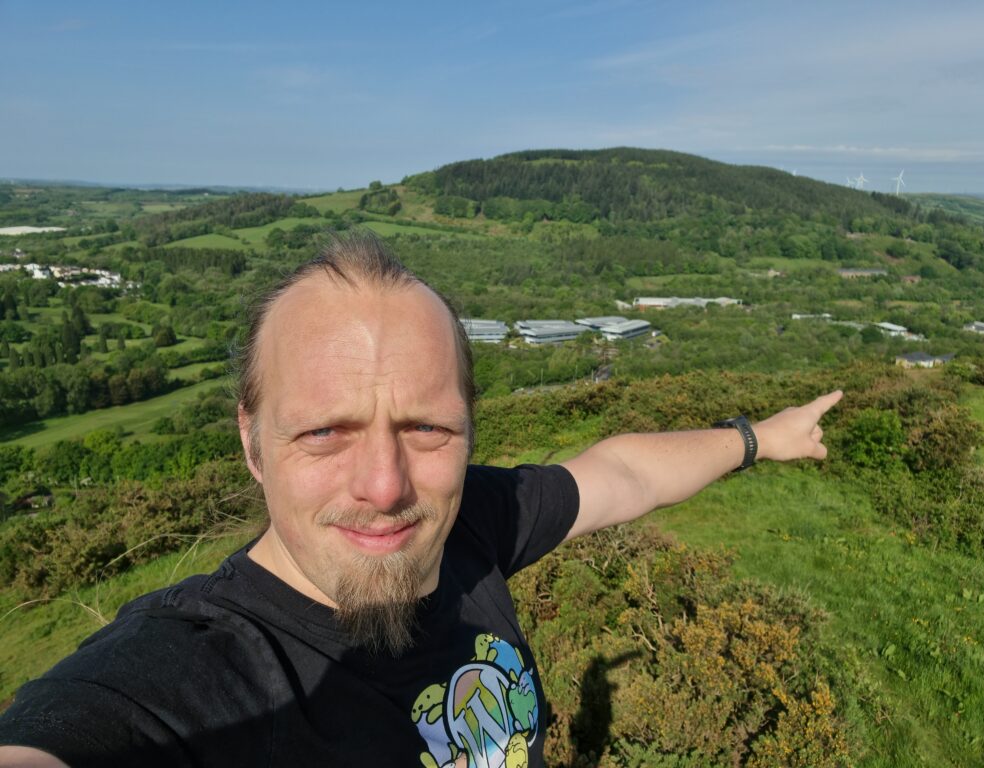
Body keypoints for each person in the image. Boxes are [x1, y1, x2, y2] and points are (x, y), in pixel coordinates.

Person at [0, 234, 842, 767]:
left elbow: (619, 475)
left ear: (472, 427)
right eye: (325, 432)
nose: (386, 486)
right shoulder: (187, 675)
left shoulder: (471, 523)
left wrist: (760, 438)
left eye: (428, 429)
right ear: (251, 443)